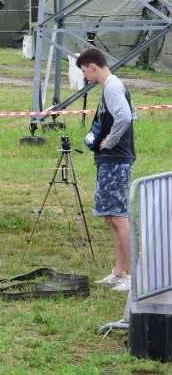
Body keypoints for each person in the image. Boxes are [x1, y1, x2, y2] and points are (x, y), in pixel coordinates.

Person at [77, 48, 136, 292]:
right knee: (111, 216)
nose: (85, 77)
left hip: (115, 158)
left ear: (92, 66)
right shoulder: (112, 87)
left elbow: (124, 117)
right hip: (110, 159)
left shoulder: (111, 86)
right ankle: (119, 272)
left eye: (84, 72)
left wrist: (110, 142)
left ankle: (134, 276)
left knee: (119, 217)